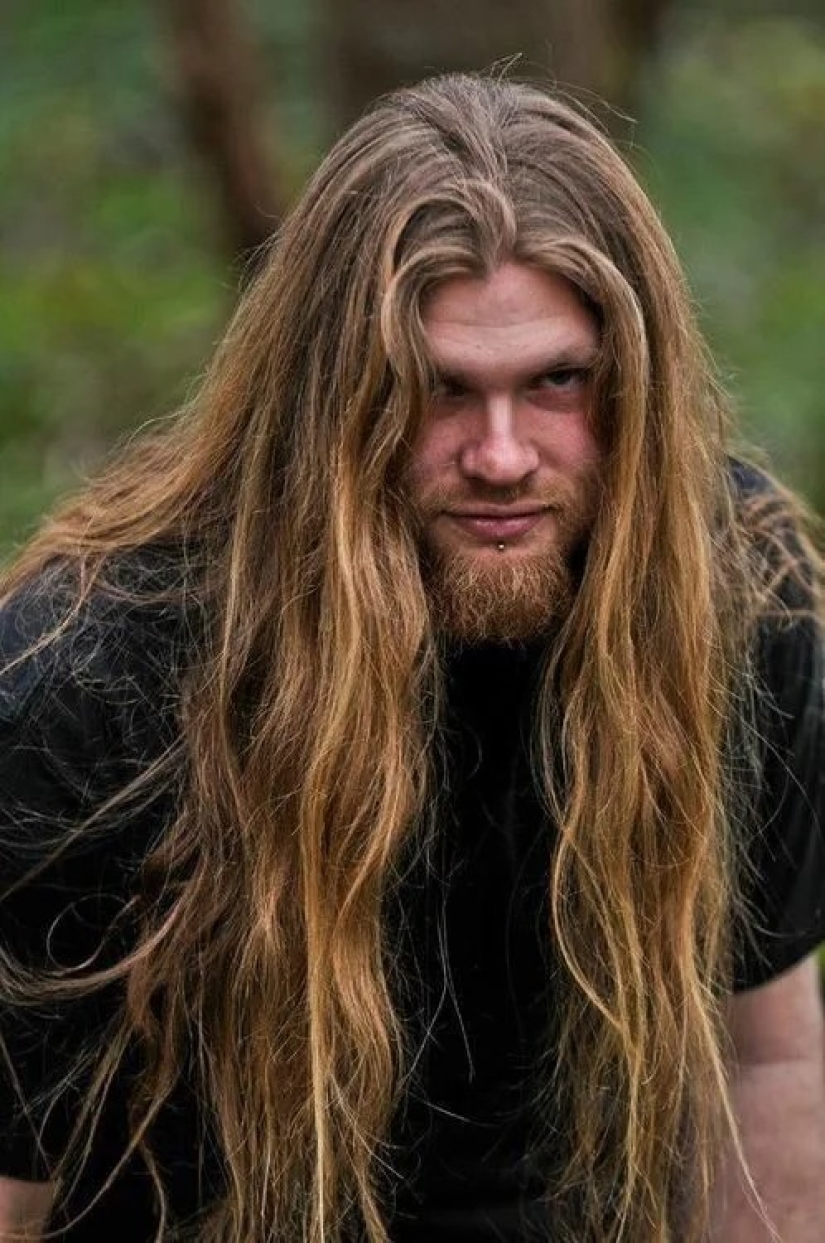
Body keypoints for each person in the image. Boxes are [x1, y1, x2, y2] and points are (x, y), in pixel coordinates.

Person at [0, 73, 823, 1243]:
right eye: (439, 388)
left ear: (636, 384)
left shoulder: (736, 601)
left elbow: (770, 1063)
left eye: (556, 381)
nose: (500, 455)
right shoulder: (96, 681)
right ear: (331, 395)